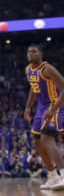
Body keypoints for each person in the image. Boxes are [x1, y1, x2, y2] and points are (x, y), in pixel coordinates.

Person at [26, 44, 64, 190]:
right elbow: (33, 88)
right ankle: (53, 176)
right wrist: (28, 107)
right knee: (36, 141)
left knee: (47, 138)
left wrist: (54, 109)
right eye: (28, 52)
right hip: (41, 108)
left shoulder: (47, 69)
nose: (30, 54)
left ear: (41, 54)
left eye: (34, 51)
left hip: (55, 104)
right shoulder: (28, 70)